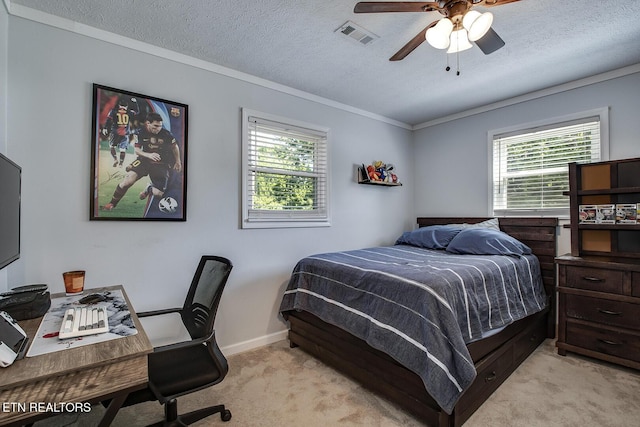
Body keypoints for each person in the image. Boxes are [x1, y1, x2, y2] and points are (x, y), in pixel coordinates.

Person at [103, 112, 182, 211]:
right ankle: (111, 204)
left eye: (160, 126)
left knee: (159, 194)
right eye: (155, 126)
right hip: (144, 161)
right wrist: (149, 155)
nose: (158, 128)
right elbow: (137, 150)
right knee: (127, 181)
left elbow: (175, 147)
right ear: (148, 123)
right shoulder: (140, 132)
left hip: (161, 164)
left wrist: (178, 161)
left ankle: (149, 188)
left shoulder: (166, 134)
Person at [101, 96, 139, 167]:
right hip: (125, 133)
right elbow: (137, 111)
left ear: (119, 106)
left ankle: (115, 159)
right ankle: (121, 164)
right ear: (127, 107)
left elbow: (108, 120)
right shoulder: (129, 112)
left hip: (115, 132)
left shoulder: (114, 111)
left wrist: (105, 128)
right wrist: (134, 103)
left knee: (112, 146)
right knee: (123, 149)